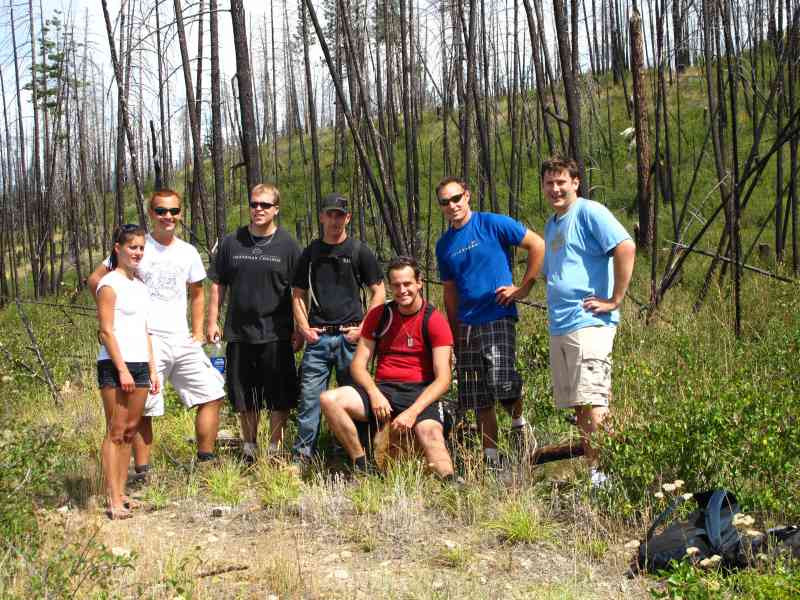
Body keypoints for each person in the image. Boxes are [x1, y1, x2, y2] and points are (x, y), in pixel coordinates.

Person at [88, 189, 225, 472]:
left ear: (180, 213)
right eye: (161, 211)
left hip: (181, 338)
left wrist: (198, 331)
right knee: (144, 408)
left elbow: (197, 293)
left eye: (173, 211)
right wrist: (116, 312)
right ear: (151, 213)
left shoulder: (188, 252)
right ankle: (143, 471)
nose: (168, 217)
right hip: (145, 341)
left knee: (213, 393)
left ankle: (206, 461)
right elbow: (96, 280)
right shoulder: (138, 246)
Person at [435, 177, 545, 468]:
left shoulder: (492, 223)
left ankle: (520, 425)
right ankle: (492, 460)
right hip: (467, 324)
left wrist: (523, 289)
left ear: (467, 196)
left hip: (497, 315)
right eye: (445, 202)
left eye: (456, 198)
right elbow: (450, 292)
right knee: (478, 397)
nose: (452, 205)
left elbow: (537, 244)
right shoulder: (444, 245)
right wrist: (455, 334)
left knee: (502, 381)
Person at [540, 156, 635, 486]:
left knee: (595, 401)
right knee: (581, 405)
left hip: (589, 323)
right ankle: (597, 473)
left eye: (561, 181)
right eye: (550, 183)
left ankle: (606, 479)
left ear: (575, 182)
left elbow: (625, 247)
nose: (556, 189)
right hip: (561, 325)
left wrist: (615, 299)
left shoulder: (589, 212)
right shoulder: (553, 223)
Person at [320, 256, 455, 479]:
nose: (402, 290)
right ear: (390, 286)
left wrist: (413, 412)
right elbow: (358, 366)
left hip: (420, 392)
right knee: (329, 399)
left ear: (419, 282)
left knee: (429, 433)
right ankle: (362, 465)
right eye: (396, 285)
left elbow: (443, 379)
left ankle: (451, 483)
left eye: (407, 284)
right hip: (384, 390)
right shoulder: (380, 315)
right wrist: (374, 394)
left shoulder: (434, 320)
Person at [207, 184, 302, 463]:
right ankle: (249, 447)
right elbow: (217, 285)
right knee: (244, 394)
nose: (258, 209)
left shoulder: (289, 245)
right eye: (254, 204)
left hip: (277, 333)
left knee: (279, 395)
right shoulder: (231, 243)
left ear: (276, 209)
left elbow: (298, 291)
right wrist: (212, 321)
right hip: (239, 332)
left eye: (265, 205)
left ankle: (274, 449)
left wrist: (300, 328)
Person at [291, 192, 385, 464]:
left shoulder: (358, 251)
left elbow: (379, 292)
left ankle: (355, 453)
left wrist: (364, 329)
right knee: (309, 399)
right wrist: (304, 328)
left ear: (348, 218)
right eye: (330, 214)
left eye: (340, 215)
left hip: (351, 338)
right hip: (318, 339)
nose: (334, 220)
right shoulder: (310, 253)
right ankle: (303, 457)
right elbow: (297, 293)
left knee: (355, 400)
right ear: (322, 217)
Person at [96, 224, 160, 519]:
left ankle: (123, 493)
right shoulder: (109, 284)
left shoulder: (140, 286)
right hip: (114, 364)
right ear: (117, 249)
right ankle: (112, 498)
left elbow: (145, 330)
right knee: (116, 431)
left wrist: (152, 369)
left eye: (140, 248)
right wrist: (121, 370)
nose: (137, 252)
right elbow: (106, 332)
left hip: (139, 364)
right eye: (131, 247)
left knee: (131, 430)